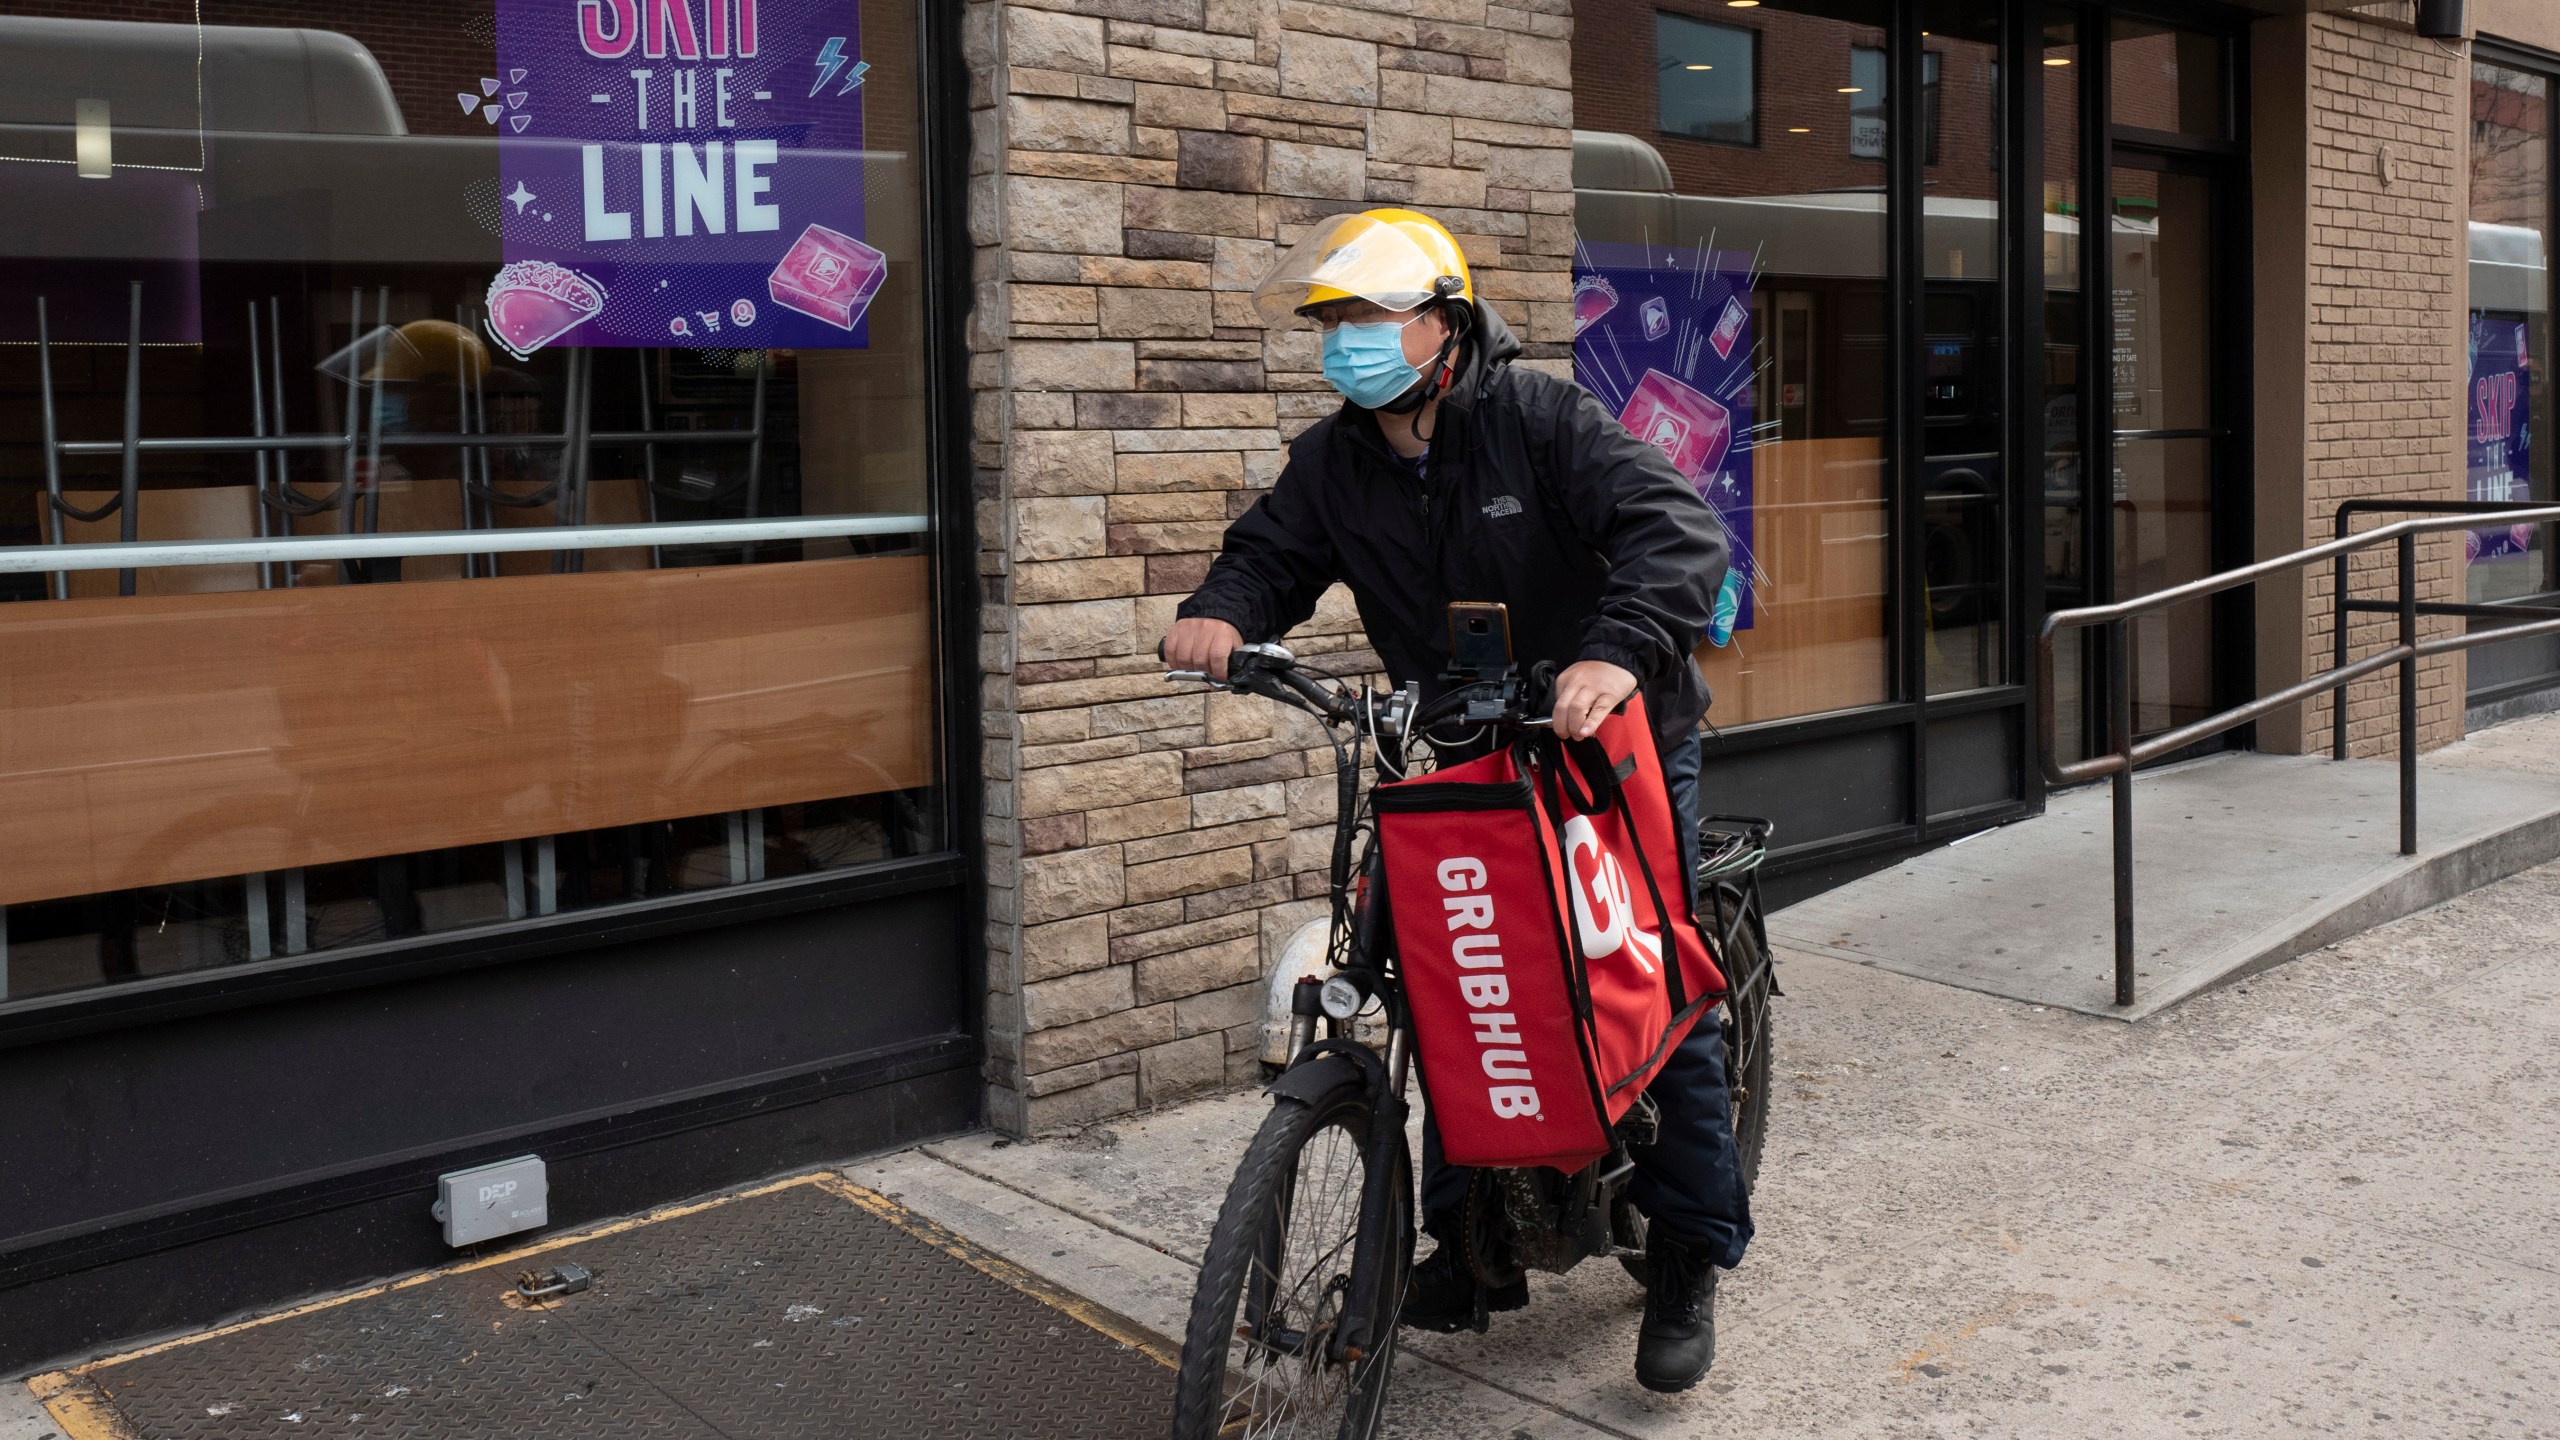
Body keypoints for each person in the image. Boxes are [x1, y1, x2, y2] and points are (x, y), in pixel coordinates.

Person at [1159, 208, 1753, 1393]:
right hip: (1460, 745)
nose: (1347, 343)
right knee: (1449, 979)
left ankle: (1687, 1252)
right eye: (1335, 323)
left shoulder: (1536, 419)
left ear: (1446, 322)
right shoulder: (1336, 458)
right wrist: (1225, 609)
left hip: (1611, 737)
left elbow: (1674, 531)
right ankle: (1466, 1248)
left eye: (1371, 317)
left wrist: (1615, 651)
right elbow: (1271, 553)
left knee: (1643, 980)